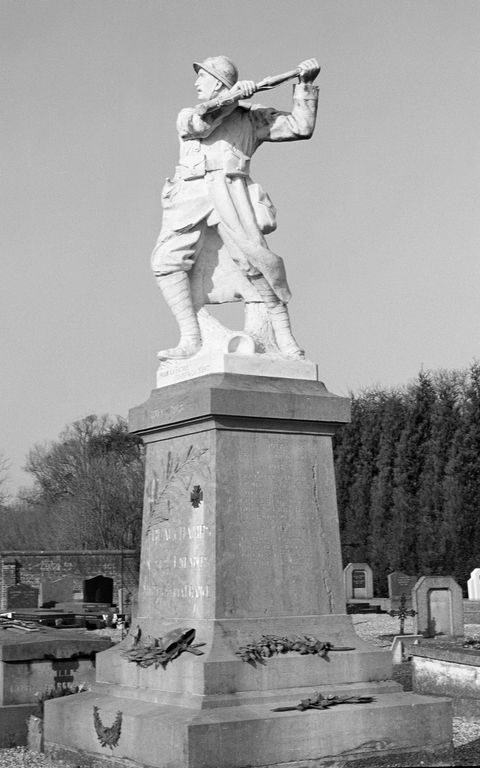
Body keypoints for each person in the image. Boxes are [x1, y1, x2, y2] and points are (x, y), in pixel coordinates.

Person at [151, 55, 320, 359]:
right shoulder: (188, 114)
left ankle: (284, 336)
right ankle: (191, 338)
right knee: (166, 261)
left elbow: (300, 127)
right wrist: (233, 97)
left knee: (254, 262)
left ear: (217, 82)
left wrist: (305, 85)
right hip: (189, 194)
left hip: (229, 190)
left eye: (202, 77)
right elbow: (201, 123)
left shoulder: (250, 118)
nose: (196, 82)